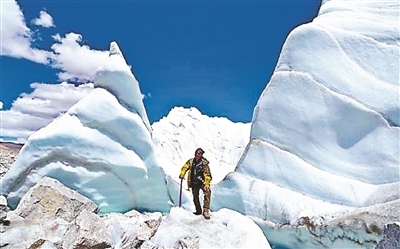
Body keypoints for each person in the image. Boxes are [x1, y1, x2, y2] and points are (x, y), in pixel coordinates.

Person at [179, 148, 212, 219]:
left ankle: (206, 210)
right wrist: (182, 174)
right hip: (194, 182)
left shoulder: (204, 164)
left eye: (198, 153)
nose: (197, 155)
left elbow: (207, 174)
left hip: (202, 182)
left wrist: (206, 184)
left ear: (201, 155)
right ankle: (198, 210)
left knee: (207, 192)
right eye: (196, 153)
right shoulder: (191, 161)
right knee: (195, 197)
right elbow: (185, 167)